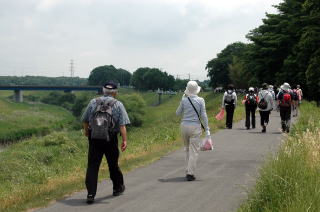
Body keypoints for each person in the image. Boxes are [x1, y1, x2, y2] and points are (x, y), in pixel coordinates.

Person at [81, 82, 130, 204]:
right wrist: (124, 140)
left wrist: (87, 132)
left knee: (93, 166)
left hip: (94, 138)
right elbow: (122, 125)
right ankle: (117, 188)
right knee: (113, 164)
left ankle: (91, 194)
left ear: (103, 91)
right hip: (110, 139)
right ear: (115, 92)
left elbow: (85, 120)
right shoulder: (118, 104)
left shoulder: (93, 102)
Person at [176, 81, 210, 181]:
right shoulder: (201, 100)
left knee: (187, 149)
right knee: (194, 151)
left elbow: (177, 113)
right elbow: (203, 115)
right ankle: (190, 173)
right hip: (195, 127)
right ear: (196, 90)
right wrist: (207, 129)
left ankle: (187, 170)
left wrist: (181, 101)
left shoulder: (184, 100)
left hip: (184, 126)